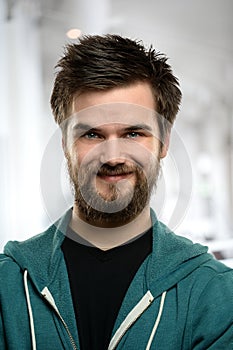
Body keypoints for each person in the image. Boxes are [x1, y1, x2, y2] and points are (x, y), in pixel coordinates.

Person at [0, 34, 232, 350]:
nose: (112, 157)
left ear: (163, 143)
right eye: (92, 134)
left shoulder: (215, 295)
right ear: (64, 144)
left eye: (133, 133)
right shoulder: (7, 286)